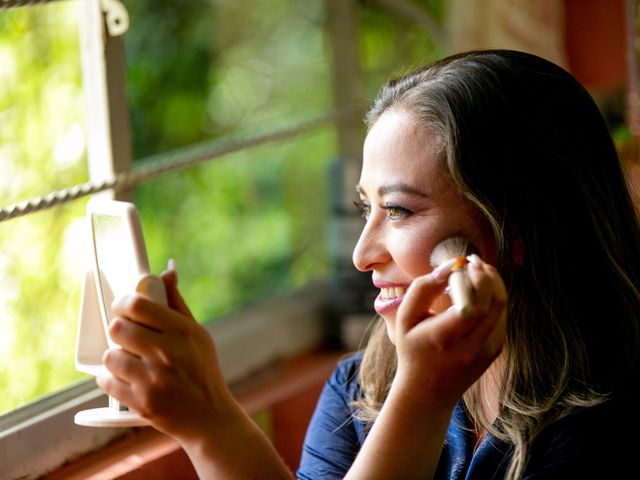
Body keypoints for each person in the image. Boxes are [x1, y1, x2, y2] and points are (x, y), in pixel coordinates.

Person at [97, 49, 640, 479]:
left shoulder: (606, 422)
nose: (362, 254)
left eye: (399, 210)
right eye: (365, 208)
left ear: (518, 231)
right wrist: (206, 423)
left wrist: (424, 395)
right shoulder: (363, 388)